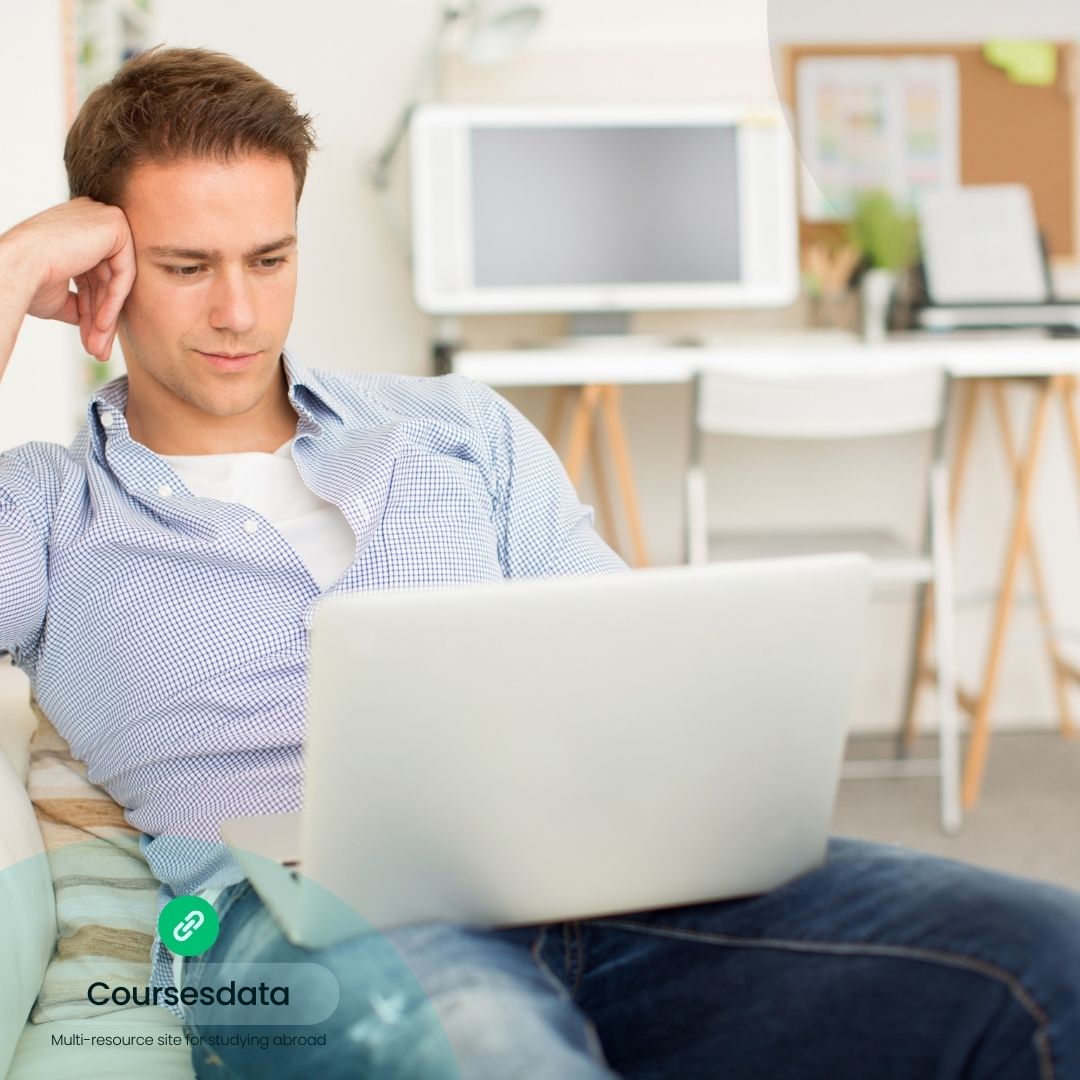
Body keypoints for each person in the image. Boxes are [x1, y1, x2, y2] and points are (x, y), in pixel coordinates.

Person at [1, 46, 1078, 1080]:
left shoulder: (457, 428)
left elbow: (621, 654)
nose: (240, 311)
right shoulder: (50, 508)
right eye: (188, 267)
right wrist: (11, 268)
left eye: (271, 259)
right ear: (108, 269)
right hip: (294, 931)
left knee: (1039, 957)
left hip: (596, 884)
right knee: (489, 1053)